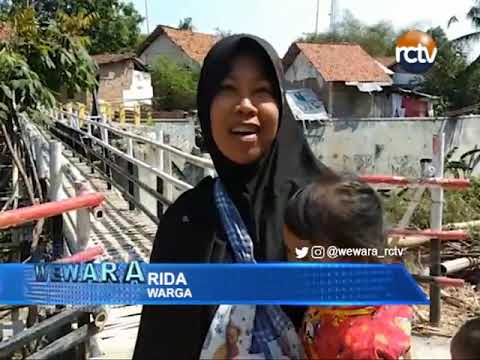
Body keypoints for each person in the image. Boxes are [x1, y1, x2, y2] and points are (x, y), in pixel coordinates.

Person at [133, 34, 333, 359]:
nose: (245, 105)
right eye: (227, 89)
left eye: (262, 91)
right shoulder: (185, 223)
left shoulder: (331, 211)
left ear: (281, 105)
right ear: (206, 104)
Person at [283, 176, 413, 359]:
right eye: (289, 252)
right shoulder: (333, 299)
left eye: (302, 258)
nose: (291, 266)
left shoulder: (365, 346)